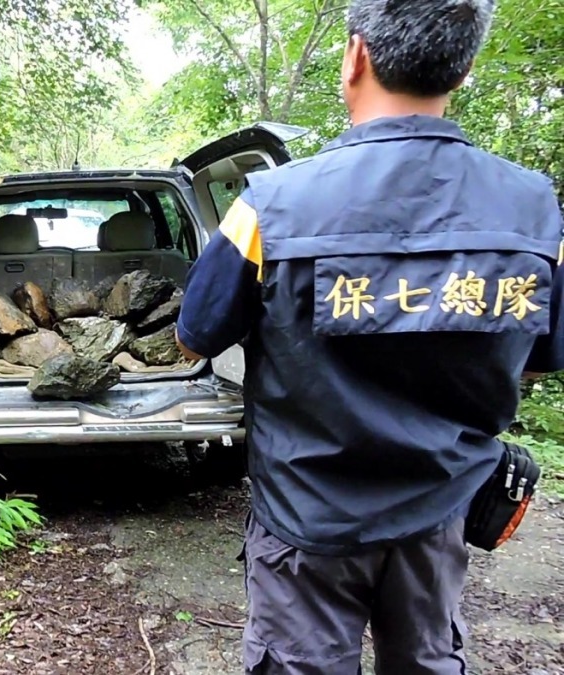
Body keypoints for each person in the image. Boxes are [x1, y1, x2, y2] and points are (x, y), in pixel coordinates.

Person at [175, 1, 564, 672]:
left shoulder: (272, 205)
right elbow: (539, 360)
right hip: (437, 513)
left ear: (355, 54)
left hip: (305, 516)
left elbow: (195, 338)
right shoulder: (535, 209)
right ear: (465, 68)